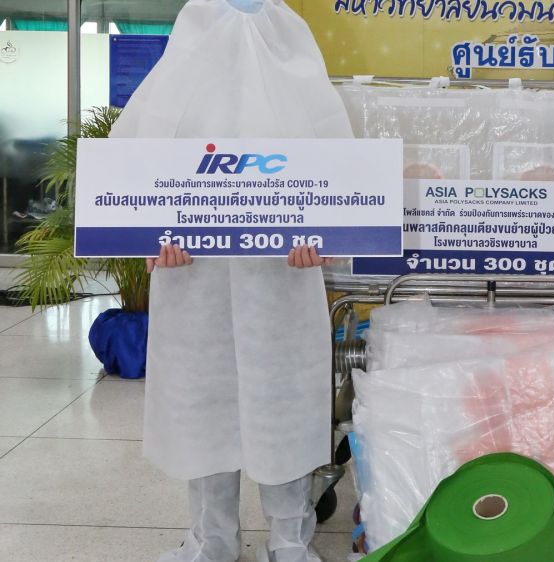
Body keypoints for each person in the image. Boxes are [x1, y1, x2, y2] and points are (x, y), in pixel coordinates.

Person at [110, 1, 355, 561]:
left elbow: (339, 176)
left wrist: (323, 236)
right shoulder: (176, 76)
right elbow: (130, 177)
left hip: (281, 278)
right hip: (192, 276)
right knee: (202, 402)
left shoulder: (295, 62)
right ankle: (212, 538)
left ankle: (290, 540)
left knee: (283, 401)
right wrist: (152, 238)